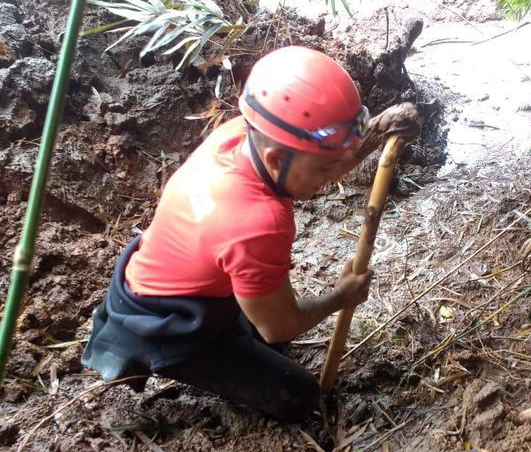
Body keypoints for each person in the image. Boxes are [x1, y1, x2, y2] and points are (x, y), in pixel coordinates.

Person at [81, 46, 420, 421]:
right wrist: (341, 296)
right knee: (298, 394)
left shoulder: (241, 135)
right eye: (325, 172)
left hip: (161, 277)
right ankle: (170, 358)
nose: (329, 182)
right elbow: (279, 326)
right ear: (276, 159)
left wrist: (375, 131)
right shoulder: (259, 223)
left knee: (274, 332)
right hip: (168, 323)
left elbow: (318, 156)